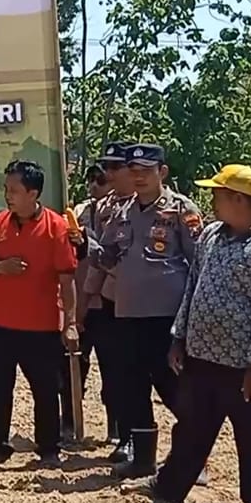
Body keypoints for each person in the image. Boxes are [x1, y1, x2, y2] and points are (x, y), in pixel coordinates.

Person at [136, 164, 251, 503]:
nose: (212, 201)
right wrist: (179, 336)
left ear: (238, 199)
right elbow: (193, 287)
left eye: (218, 195)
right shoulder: (210, 235)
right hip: (201, 356)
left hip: (243, 365)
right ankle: (169, 486)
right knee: (191, 427)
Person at [91, 143, 202, 479]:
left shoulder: (181, 210)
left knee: (172, 386)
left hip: (166, 315)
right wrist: (85, 246)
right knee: (132, 386)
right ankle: (143, 460)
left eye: (146, 171)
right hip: (127, 312)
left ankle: (193, 459)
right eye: (133, 170)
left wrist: (191, 318)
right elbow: (108, 257)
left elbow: (199, 263)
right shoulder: (121, 211)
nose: (138, 177)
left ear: (162, 172)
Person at [0, 160, 78, 465]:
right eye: (6, 189)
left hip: (40, 327)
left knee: (46, 390)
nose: (8, 196)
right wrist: (0, 267)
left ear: (33, 193)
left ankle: (49, 449)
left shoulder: (57, 227)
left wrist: (70, 323)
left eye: (14, 190)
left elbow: (67, 279)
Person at [81, 142, 137, 460]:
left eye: (116, 167)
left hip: (155, 307)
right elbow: (102, 260)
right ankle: (128, 439)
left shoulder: (174, 210)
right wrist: (86, 301)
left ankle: (193, 454)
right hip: (112, 302)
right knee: (118, 374)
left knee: (164, 383)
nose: (109, 174)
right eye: (107, 168)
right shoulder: (109, 209)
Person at [61, 161, 112, 443]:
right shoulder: (78, 212)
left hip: (108, 301)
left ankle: (116, 429)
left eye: (100, 180)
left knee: (113, 369)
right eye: (91, 179)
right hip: (81, 300)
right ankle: (69, 423)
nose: (94, 185)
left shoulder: (120, 212)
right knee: (73, 367)